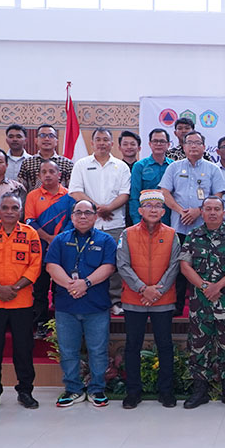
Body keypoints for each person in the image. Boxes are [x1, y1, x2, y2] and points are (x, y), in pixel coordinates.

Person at [44, 200, 119, 407]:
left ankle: (97, 389)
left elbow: (109, 267)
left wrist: (85, 283)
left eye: (88, 212)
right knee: (68, 350)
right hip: (67, 306)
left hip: (96, 306)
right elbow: (51, 266)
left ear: (95, 216)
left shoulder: (106, 241)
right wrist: (71, 286)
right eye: (78, 213)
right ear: (72, 216)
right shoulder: (60, 240)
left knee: (98, 349)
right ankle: (73, 389)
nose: (83, 216)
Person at [0, 192, 43, 412]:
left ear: (21, 210)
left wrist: (15, 288)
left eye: (15, 208)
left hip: (21, 301)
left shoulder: (30, 234)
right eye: (6, 208)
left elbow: (35, 265)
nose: (10, 212)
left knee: (24, 349)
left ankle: (25, 391)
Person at [179, 197, 225, 409]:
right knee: (198, 348)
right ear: (201, 212)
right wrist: (203, 287)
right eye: (208, 209)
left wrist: (217, 286)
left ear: (223, 212)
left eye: (216, 209)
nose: (212, 213)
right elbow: (184, 266)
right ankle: (200, 391)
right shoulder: (193, 235)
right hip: (200, 303)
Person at [115, 190, 180, 409]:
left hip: (163, 299)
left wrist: (156, 291)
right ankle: (133, 392)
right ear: (140, 210)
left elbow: (175, 265)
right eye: (148, 206)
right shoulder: (128, 234)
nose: (153, 210)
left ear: (164, 211)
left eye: (157, 206)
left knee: (165, 345)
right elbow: (122, 265)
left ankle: (166, 392)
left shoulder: (172, 234)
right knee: (133, 345)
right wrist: (143, 289)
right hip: (135, 298)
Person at [160, 131, 225, 315]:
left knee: (204, 266)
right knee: (179, 266)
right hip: (180, 225)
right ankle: (178, 306)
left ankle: (205, 305)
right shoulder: (174, 167)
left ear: (204, 147)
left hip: (204, 228)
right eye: (189, 142)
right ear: (183, 146)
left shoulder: (213, 169)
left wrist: (199, 210)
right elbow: (165, 193)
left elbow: (218, 195)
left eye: (197, 143)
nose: (193, 146)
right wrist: (181, 210)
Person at [68, 128, 131, 314]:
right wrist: (95, 209)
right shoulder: (81, 164)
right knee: (88, 261)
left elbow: (125, 194)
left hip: (114, 223)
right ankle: (90, 298)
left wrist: (108, 208)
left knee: (115, 263)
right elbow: (75, 191)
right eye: (98, 139)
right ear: (92, 143)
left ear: (112, 144)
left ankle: (115, 301)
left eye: (106, 140)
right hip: (87, 222)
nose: (102, 143)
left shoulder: (121, 166)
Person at [25, 159, 75, 337]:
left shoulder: (69, 196)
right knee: (40, 287)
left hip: (63, 248)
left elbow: (72, 221)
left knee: (60, 286)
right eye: (43, 172)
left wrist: (57, 240)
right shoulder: (32, 196)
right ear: (38, 175)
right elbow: (29, 221)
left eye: (51, 171)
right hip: (39, 247)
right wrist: (48, 238)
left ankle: (59, 324)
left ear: (59, 174)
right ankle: (41, 323)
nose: (47, 175)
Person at [129, 128, 173, 225]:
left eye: (162, 141)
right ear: (150, 144)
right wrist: (137, 221)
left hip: (169, 220)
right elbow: (134, 196)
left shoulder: (173, 166)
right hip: (145, 219)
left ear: (168, 145)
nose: (158, 144)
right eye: (155, 141)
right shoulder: (140, 166)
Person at [18, 124, 74, 190]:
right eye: (42, 135)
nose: (47, 139)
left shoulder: (67, 163)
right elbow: (21, 189)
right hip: (33, 199)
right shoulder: (27, 163)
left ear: (56, 141)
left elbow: (72, 188)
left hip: (61, 200)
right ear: (36, 140)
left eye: (51, 136)